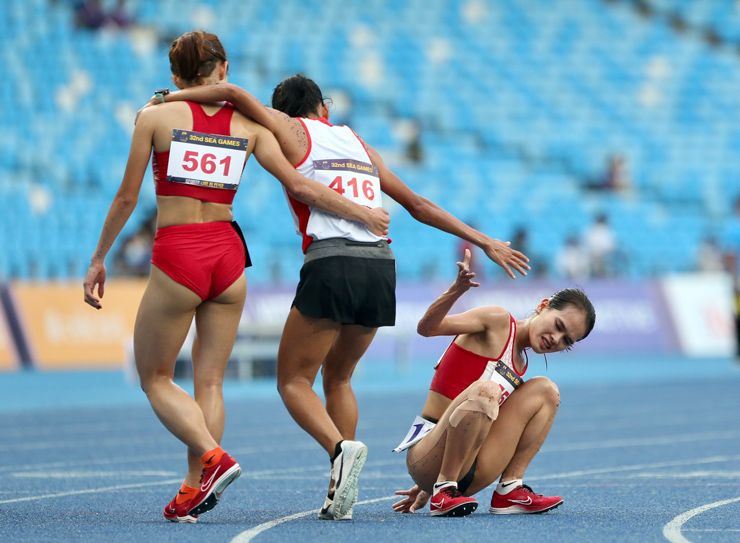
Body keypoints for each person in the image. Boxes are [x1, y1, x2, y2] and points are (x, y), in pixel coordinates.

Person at [152, 75, 530, 520]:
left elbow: (232, 94)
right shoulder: (359, 144)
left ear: (286, 113)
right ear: (324, 109)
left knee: (292, 381)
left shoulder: (289, 130)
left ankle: (341, 450)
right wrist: (483, 240)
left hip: (332, 261)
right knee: (340, 378)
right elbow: (419, 205)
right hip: (380, 265)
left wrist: (168, 97)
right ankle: (340, 492)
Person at [83, 32, 389, 524]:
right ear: (221, 69)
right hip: (228, 256)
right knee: (210, 379)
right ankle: (192, 487)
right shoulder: (248, 126)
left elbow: (125, 199)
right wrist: (361, 210)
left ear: (176, 77)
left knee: (156, 376)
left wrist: (99, 258)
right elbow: (298, 185)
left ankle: (211, 456)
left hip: (180, 250)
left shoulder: (154, 116)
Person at [392, 250, 595, 517]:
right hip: (428, 450)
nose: (556, 338)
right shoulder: (498, 320)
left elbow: (477, 424)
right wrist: (455, 290)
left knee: (546, 391)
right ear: (544, 305)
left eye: (567, 340)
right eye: (558, 325)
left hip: (473, 468)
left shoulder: (521, 364)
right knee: (487, 390)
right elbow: (426, 328)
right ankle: (443, 489)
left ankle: (509, 490)